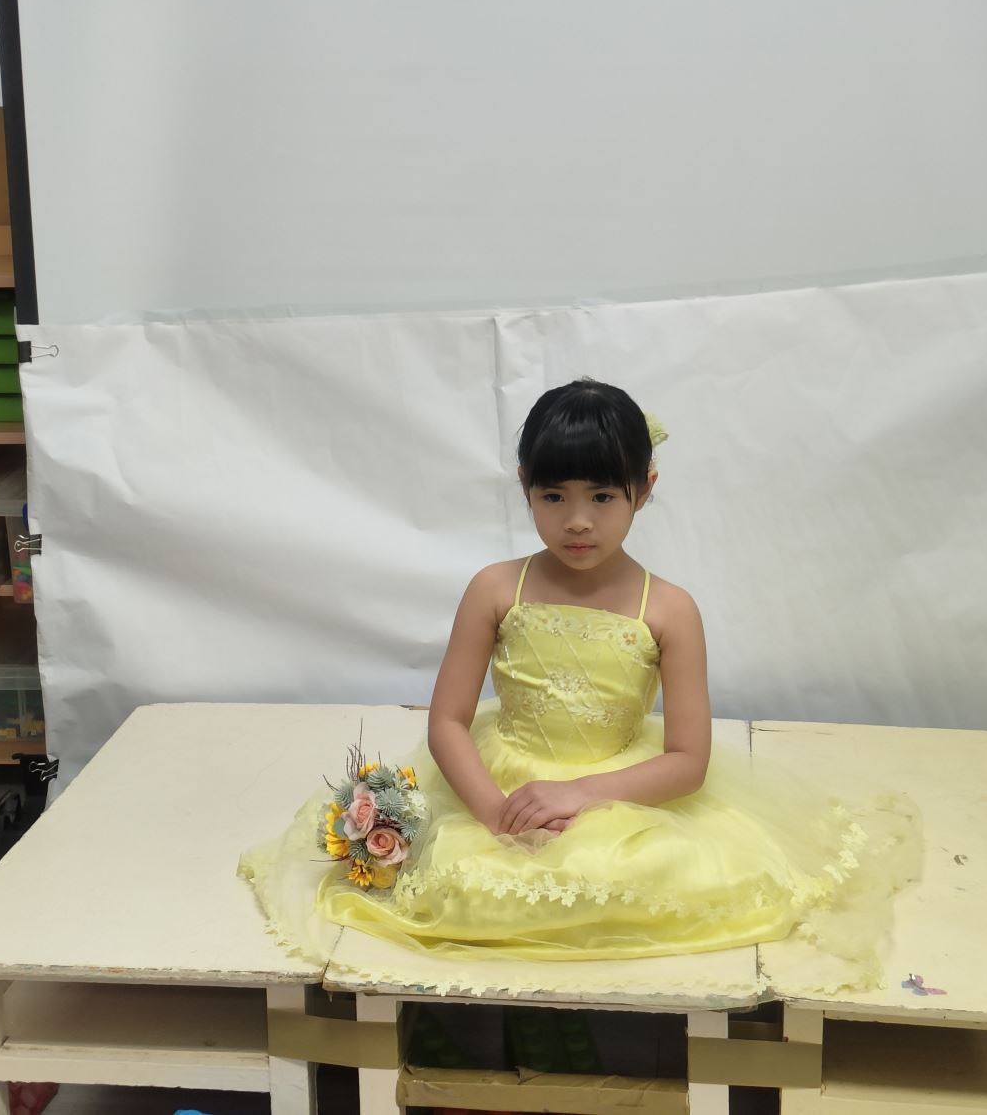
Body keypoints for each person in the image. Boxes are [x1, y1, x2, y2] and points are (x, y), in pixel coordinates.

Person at [240, 378, 920, 991]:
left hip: (618, 788)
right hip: (503, 780)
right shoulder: (496, 589)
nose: (577, 520)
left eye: (602, 496)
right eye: (553, 496)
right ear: (524, 486)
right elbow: (447, 721)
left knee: (649, 877)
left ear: (643, 489)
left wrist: (581, 794)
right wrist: (493, 813)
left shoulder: (669, 609)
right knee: (465, 881)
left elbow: (688, 759)